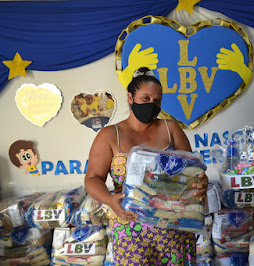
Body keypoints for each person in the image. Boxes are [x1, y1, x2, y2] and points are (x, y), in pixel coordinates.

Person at [84, 67, 208, 265]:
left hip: (174, 225)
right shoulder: (109, 135)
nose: (152, 104)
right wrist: (109, 200)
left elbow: (192, 170)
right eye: (145, 98)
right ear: (131, 98)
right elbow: (92, 179)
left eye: (157, 101)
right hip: (131, 229)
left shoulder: (170, 128)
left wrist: (202, 182)